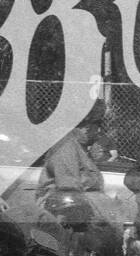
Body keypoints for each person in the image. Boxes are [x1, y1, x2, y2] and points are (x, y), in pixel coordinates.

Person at [37, 99, 134, 231]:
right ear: (87, 127)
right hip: (73, 225)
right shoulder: (66, 147)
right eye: (98, 125)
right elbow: (69, 195)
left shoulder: (78, 147)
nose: (98, 132)